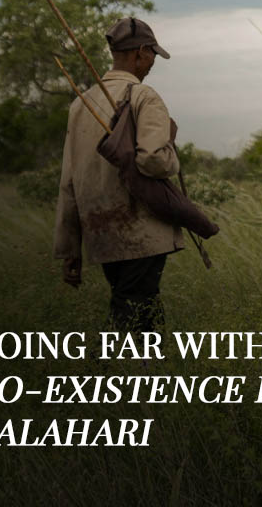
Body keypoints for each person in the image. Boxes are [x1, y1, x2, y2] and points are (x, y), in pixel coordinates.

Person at [54, 17, 182, 333]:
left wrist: (70, 248)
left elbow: (68, 182)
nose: (153, 62)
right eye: (152, 54)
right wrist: (172, 159)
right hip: (140, 229)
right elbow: (153, 159)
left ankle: (143, 373)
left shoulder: (80, 103)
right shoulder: (143, 96)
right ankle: (117, 374)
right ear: (140, 53)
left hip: (100, 229)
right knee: (134, 314)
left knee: (138, 308)